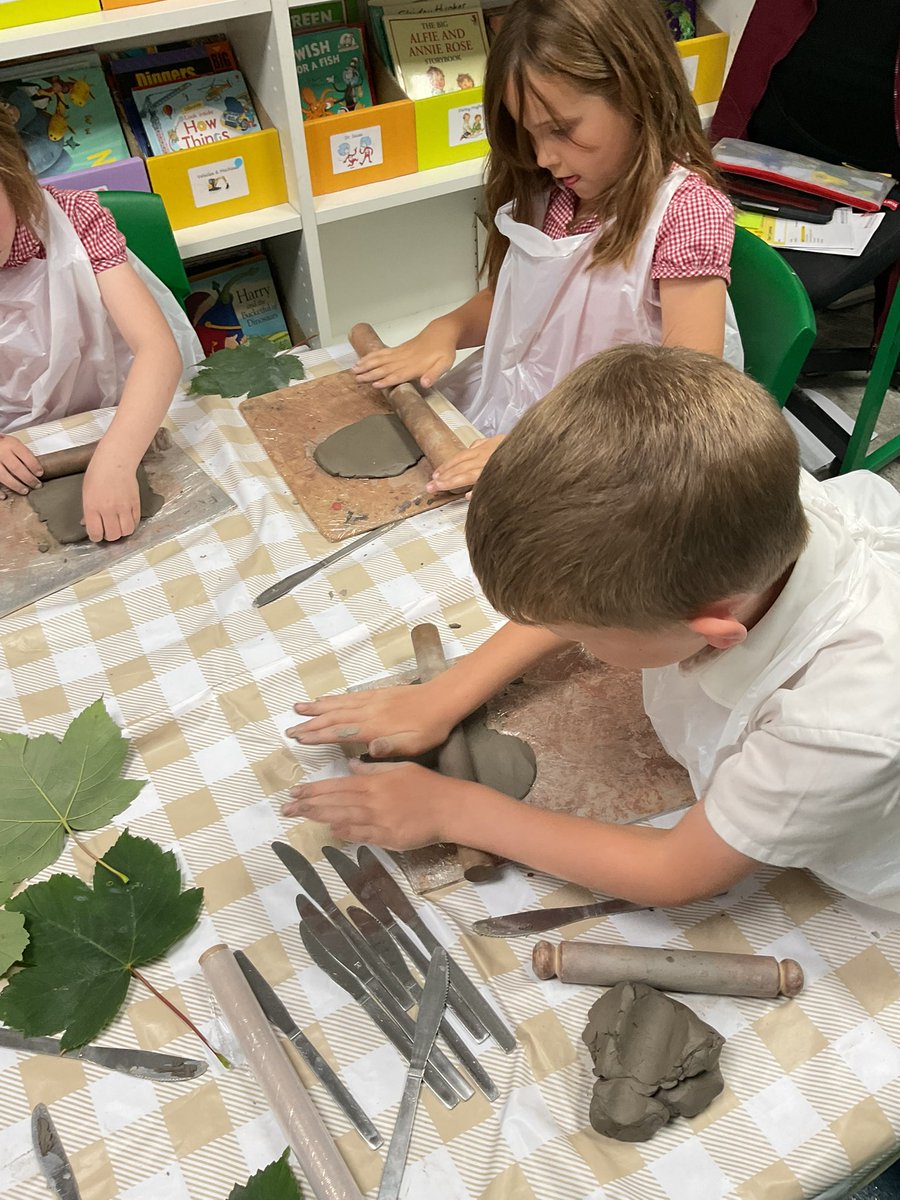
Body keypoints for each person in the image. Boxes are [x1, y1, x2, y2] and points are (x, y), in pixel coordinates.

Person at [283, 345, 900, 912]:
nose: (573, 641)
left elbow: (674, 871)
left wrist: (454, 809)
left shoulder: (837, 723)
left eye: (584, 634)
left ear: (714, 628)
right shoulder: (739, 497)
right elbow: (592, 592)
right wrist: (447, 693)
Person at [353, 0, 743, 494]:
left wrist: (541, 446)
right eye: (529, 133)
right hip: (522, 414)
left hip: (617, 446)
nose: (543, 156)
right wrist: (446, 329)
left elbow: (687, 394)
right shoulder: (554, 190)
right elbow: (521, 304)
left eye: (561, 129)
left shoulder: (685, 213)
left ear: (635, 92)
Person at [0, 106, 200, 542]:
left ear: (13, 179)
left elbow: (157, 351)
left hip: (116, 412)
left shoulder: (75, 220)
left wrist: (115, 461)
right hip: (17, 441)